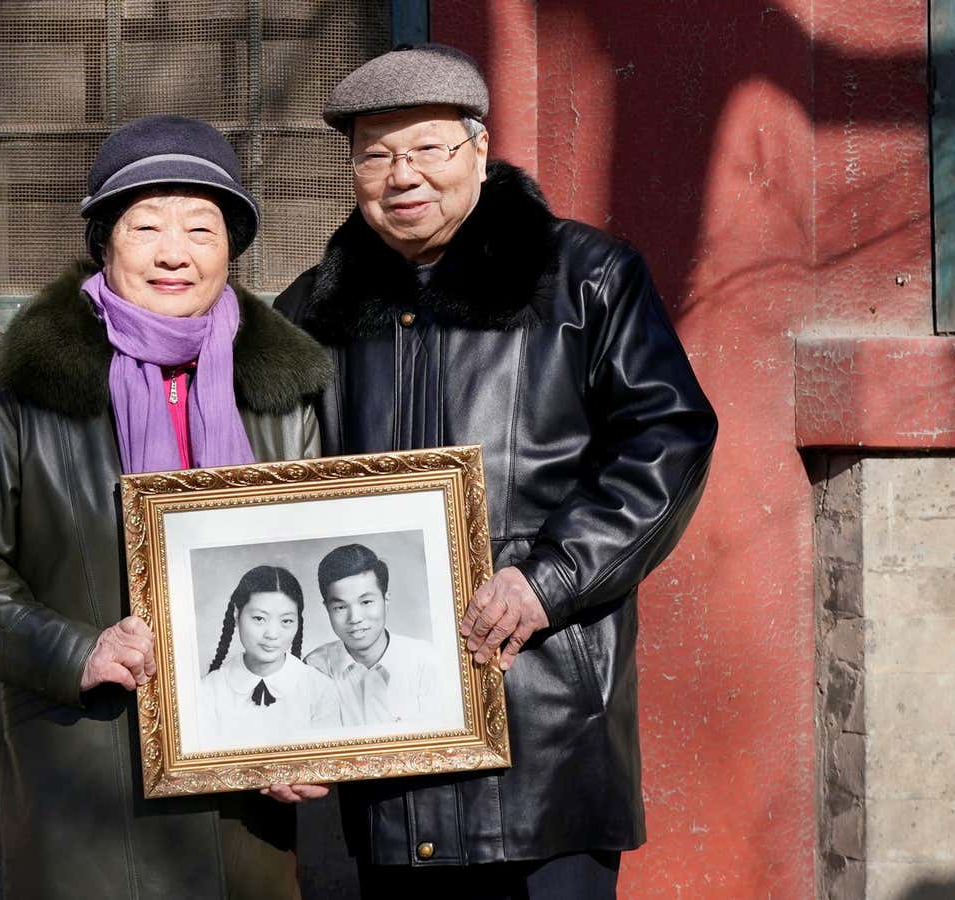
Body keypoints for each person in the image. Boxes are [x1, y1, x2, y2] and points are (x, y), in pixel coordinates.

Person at [275, 45, 720, 899]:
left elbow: (667, 439)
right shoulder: (314, 312)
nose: (402, 175)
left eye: (429, 147)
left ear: (480, 150)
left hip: (544, 713)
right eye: (375, 153)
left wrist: (546, 578)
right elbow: (278, 501)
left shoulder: (584, 276)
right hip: (390, 737)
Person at [0, 115, 333, 900]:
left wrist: (311, 730)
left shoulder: (282, 391)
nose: (175, 251)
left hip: (244, 777)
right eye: (147, 225)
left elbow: (308, 565)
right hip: (89, 773)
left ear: (231, 248)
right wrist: (76, 651)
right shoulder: (29, 383)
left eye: (202, 227)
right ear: (106, 240)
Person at [303, 543, 451, 728]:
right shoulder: (316, 668)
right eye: (340, 607)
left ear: (385, 599)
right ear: (327, 609)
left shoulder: (425, 661)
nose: (355, 618)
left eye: (366, 602)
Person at [197, 565, 341, 746]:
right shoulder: (208, 691)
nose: (272, 634)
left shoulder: (320, 689)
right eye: (259, 619)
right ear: (236, 615)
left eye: (286, 621)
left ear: (298, 622)